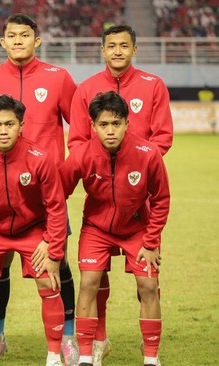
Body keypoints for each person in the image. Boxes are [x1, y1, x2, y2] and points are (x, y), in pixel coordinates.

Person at [0, 13, 78, 366]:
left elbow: (79, 132)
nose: (18, 41)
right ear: (2, 42)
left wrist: (63, 175)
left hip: (45, 194)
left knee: (57, 264)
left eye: (25, 35)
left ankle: (66, 339)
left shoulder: (58, 78)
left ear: (38, 40)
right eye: (11, 36)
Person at [67, 25, 173, 364]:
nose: (117, 51)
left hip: (135, 201)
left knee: (147, 284)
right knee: (93, 279)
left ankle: (152, 354)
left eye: (123, 45)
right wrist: (101, 161)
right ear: (102, 49)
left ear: (134, 48)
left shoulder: (152, 85)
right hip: (98, 209)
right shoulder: (86, 89)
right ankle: (95, 343)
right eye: (110, 45)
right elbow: (76, 145)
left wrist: (134, 162)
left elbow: (163, 138)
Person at [0, 95, 67, 366]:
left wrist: (53, 248)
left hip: (31, 229)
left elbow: (56, 206)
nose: (3, 130)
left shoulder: (39, 158)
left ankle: (54, 355)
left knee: (48, 280)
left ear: (21, 125)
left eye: (10, 124)